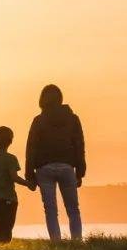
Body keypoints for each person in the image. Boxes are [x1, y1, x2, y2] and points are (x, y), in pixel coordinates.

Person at [25, 84, 86, 241]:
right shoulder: (73, 119)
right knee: (73, 209)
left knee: (50, 210)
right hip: (67, 167)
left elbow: (31, 147)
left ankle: (56, 243)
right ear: (60, 98)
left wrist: (29, 174)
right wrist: (80, 172)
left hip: (44, 168)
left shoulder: (38, 121)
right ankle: (77, 242)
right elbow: (79, 145)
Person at [0, 126, 34, 244]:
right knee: (7, 226)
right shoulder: (10, 159)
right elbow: (14, 177)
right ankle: (4, 247)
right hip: (9, 198)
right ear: (10, 140)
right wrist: (28, 184)